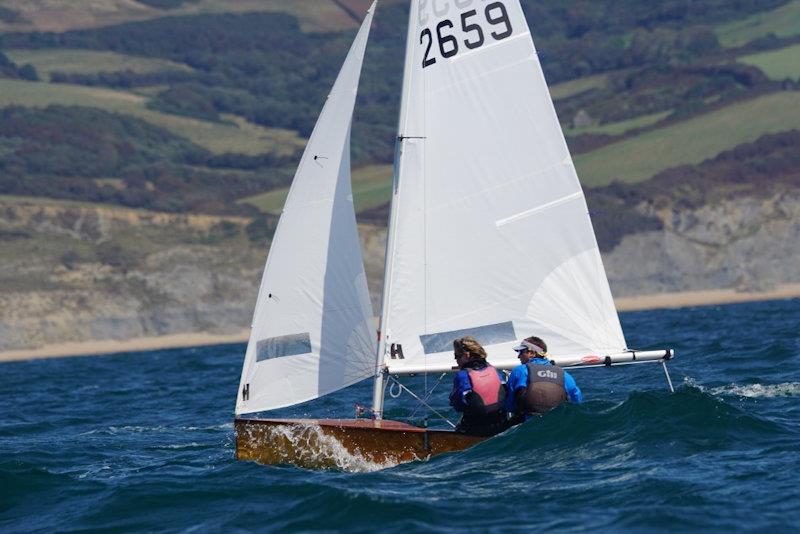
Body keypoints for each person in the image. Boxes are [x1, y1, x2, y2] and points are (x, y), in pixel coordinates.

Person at [505, 336, 582, 425]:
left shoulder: (519, 371)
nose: (519, 356)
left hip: (529, 424)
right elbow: (577, 399)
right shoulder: (563, 374)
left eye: (521, 352)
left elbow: (509, 406)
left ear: (531, 353)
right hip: (560, 423)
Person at [448, 336, 508, 437]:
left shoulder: (463, 375)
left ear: (466, 355)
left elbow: (458, 405)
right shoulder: (494, 370)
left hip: (475, 430)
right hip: (500, 426)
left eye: (457, 356)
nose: (456, 360)